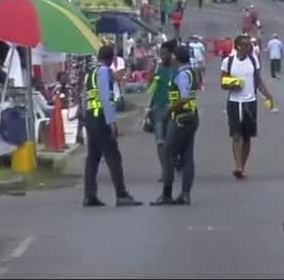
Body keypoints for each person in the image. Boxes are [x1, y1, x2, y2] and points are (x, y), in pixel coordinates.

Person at [82, 45, 142, 207]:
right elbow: (104, 98)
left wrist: (83, 117)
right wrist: (111, 122)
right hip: (100, 118)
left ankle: (89, 195)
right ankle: (121, 194)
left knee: (93, 158)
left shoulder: (90, 74)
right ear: (110, 58)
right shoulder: (103, 72)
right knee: (113, 156)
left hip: (90, 118)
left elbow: (84, 98)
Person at [221, 35, 275, 180]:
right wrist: (233, 85)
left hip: (250, 102)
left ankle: (242, 166)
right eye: (245, 45)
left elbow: (257, 80)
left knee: (247, 137)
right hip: (234, 102)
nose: (248, 47)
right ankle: (238, 166)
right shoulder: (228, 62)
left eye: (249, 45)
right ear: (237, 46)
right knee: (236, 135)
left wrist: (267, 95)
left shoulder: (253, 60)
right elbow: (223, 83)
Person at [151, 45, 199, 206]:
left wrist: (169, 109)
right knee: (186, 156)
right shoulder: (190, 72)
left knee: (167, 153)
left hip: (180, 117)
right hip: (190, 116)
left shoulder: (182, 75)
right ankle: (185, 194)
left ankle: (167, 193)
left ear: (176, 58)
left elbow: (184, 97)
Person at [147, 40, 177, 181]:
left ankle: (172, 165)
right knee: (160, 142)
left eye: (165, 54)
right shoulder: (158, 69)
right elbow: (152, 90)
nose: (162, 57)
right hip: (158, 109)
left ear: (171, 54)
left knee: (171, 142)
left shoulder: (176, 69)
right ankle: (165, 171)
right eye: (161, 54)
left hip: (174, 110)